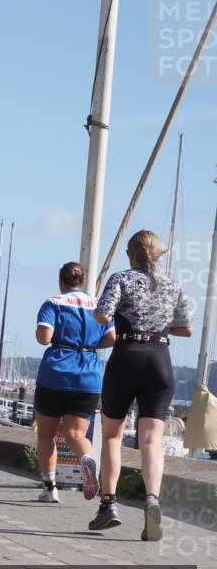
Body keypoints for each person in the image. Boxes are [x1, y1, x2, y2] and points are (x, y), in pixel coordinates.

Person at [91, 230, 193, 540]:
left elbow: (102, 315)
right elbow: (187, 329)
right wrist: (158, 327)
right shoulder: (173, 286)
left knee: (112, 435)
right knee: (151, 441)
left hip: (127, 356)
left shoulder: (121, 279)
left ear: (130, 255)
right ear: (158, 255)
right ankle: (152, 501)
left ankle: (108, 505)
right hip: (159, 359)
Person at [33, 262, 115, 504]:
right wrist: (90, 344)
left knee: (46, 435)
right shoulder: (99, 306)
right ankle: (87, 459)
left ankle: (50, 489)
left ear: (61, 282)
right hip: (88, 376)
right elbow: (112, 338)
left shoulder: (53, 303)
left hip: (55, 374)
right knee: (76, 433)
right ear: (83, 282)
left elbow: (44, 337)